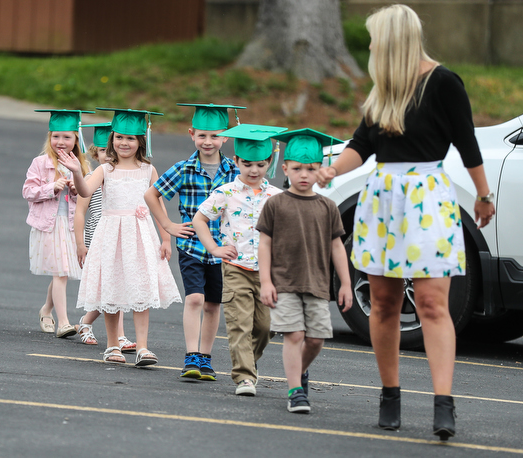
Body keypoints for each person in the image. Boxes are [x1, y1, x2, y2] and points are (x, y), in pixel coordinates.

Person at [315, 4, 495, 439]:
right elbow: (362, 144)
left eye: (375, 37)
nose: (372, 45)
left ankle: (443, 405)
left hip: (428, 198)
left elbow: (467, 142)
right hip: (382, 199)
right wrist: (332, 170)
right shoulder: (384, 90)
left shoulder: (443, 83)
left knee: (433, 303)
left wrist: (484, 194)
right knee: (383, 303)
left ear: (394, 39)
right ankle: (390, 394)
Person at [59, 108, 181, 366]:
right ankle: (113, 345)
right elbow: (83, 192)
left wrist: (167, 238)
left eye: (130, 138)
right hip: (111, 234)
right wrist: (76, 172)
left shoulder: (148, 170)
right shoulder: (105, 169)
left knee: (140, 288)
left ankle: (143, 348)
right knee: (111, 288)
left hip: (140, 234)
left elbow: (158, 206)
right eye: (119, 137)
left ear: (141, 142)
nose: (123, 143)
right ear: (111, 139)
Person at [145, 103, 244, 381]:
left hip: (223, 249)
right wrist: (168, 226)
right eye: (202, 135)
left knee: (214, 304)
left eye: (215, 136)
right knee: (195, 299)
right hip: (191, 246)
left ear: (226, 136)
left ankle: (206, 357)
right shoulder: (184, 169)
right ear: (191, 134)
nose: (208, 141)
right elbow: (152, 195)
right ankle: (191, 355)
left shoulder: (234, 171)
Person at [257, 129, 353, 413]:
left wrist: (345, 284)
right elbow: (264, 244)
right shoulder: (275, 204)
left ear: (321, 171)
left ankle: (299, 372)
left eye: (311, 169)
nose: (303, 175)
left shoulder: (328, 207)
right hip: (284, 282)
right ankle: (295, 391)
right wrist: (265, 281)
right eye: (297, 168)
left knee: (315, 339)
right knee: (295, 335)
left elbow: (337, 247)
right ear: (285, 168)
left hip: (317, 284)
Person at [191, 124, 285, 396]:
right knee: (239, 324)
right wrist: (214, 249)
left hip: (268, 273)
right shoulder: (226, 193)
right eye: (247, 164)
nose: (253, 170)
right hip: (235, 269)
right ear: (236, 162)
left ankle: (248, 362)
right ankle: (244, 376)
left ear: (269, 162)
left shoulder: (276, 197)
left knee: (264, 327)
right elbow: (199, 219)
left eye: (259, 164)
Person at [23, 109, 92, 338]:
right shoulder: (41, 163)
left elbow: (87, 198)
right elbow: (28, 191)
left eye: (67, 137)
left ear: (76, 139)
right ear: (49, 137)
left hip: (71, 226)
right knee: (61, 271)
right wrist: (49, 188)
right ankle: (64, 322)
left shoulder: (82, 166)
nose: (60, 142)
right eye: (55, 136)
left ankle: (46, 309)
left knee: (60, 271)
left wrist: (75, 189)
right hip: (49, 225)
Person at [74, 122, 136, 353]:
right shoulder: (92, 177)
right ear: (94, 153)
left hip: (121, 236)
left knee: (116, 287)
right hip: (97, 237)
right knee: (107, 288)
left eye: (109, 151)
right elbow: (80, 212)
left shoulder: (125, 175)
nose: (107, 156)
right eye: (102, 151)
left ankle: (88, 323)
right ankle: (113, 334)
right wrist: (80, 243)